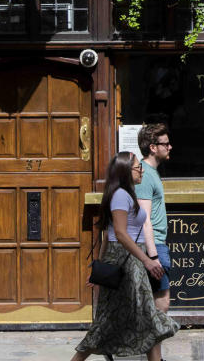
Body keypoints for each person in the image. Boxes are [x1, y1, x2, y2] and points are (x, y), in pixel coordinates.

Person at [72, 152, 179, 361]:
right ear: (125, 171)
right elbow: (119, 234)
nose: (141, 170)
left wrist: (100, 269)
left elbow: (108, 235)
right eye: (138, 167)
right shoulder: (120, 195)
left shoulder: (127, 194)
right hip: (127, 262)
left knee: (147, 318)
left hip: (131, 261)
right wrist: (147, 259)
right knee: (108, 322)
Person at [135, 123, 173, 316]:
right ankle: (150, 345)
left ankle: (150, 345)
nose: (170, 147)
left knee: (158, 303)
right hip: (153, 246)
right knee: (161, 304)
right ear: (153, 147)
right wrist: (153, 257)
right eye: (165, 144)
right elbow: (144, 219)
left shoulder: (151, 172)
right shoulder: (144, 174)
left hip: (157, 244)